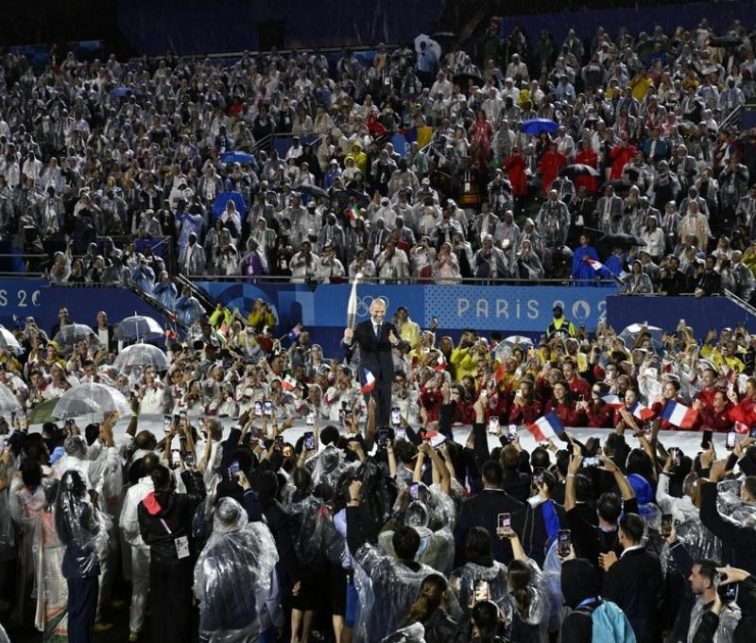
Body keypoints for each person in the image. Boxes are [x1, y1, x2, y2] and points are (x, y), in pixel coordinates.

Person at [137, 464, 205, 643]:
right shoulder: (180, 500)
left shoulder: (143, 506)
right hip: (180, 556)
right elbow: (199, 496)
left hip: (158, 557)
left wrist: (159, 542)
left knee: (159, 602)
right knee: (180, 601)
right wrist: (191, 475)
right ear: (171, 480)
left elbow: (145, 536)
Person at [342, 297, 407, 427]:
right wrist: (346, 338)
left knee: (385, 413)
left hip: (385, 376)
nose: (379, 315)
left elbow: (404, 347)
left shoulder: (390, 327)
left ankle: (383, 442)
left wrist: (395, 341)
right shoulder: (361, 327)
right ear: (370, 310)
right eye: (376, 311)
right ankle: (369, 442)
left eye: (382, 312)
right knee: (373, 411)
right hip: (368, 375)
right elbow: (347, 347)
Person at [600, 513, 663, 643]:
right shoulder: (654, 560)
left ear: (621, 535)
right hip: (654, 634)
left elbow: (608, 607)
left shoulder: (618, 569)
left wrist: (610, 571)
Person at [55, 469, 102, 643]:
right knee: (85, 614)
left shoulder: (60, 509)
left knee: (75, 611)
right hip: (86, 564)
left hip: (71, 562)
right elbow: (97, 529)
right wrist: (95, 503)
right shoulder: (84, 507)